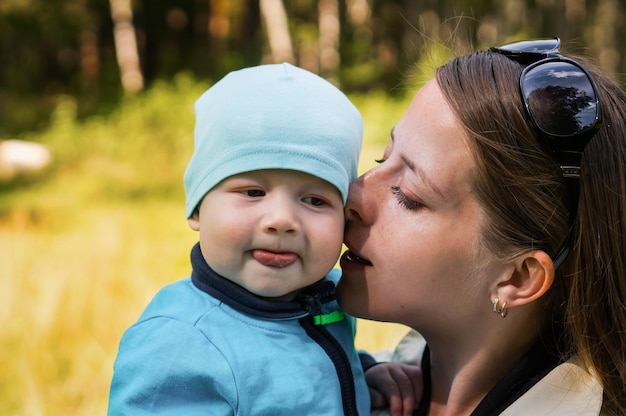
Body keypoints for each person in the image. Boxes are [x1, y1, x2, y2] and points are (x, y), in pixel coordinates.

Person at [108, 62, 421, 415]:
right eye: (253, 192)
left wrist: (361, 377)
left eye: (315, 200)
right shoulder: (179, 345)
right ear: (197, 209)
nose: (282, 220)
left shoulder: (329, 297)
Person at [338, 37, 626, 415]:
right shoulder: (355, 382)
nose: (353, 196)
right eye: (383, 156)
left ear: (518, 278)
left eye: (408, 195)